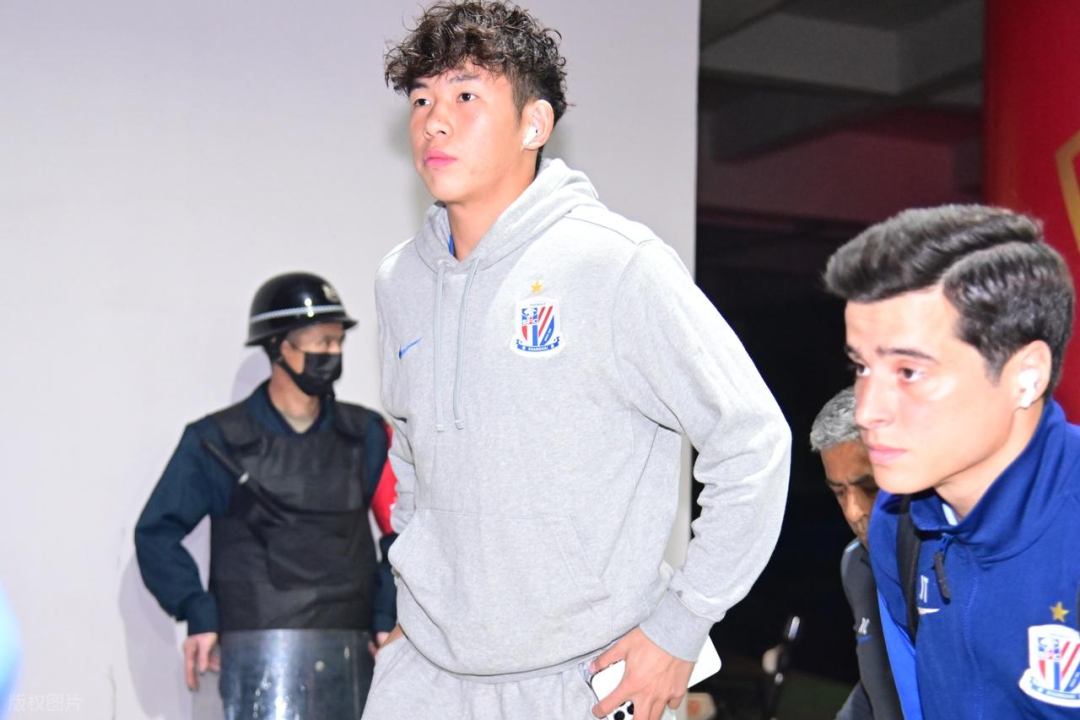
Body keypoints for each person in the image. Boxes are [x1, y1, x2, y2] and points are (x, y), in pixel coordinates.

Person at [366, 3, 791, 720]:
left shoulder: (615, 263)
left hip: (582, 676)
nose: (434, 121)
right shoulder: (399, 280)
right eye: (421, 100)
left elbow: (752, 442)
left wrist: (682, 624)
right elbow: (411, 454)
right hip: (427, 674)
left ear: (534, 124)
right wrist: (413, 598)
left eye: (466, 95)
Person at [824, 205, 1080, 718]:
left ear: (1026, 375)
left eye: (909, 371)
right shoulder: (896, 524)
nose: (867, 411)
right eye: (862, 367)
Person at [135, 272, 397, 719]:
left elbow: (403, 531)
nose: (333, 353)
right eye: (321, 342)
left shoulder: (368, 434)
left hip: (353, 658)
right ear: (278, 347)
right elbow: (156, 533)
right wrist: (198, 611)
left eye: (338, 342)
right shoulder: (216, 441)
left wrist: (387, 615)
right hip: (251, 658)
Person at [810, 387, 902, 720]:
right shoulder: (856, 566)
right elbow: (877, 687)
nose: (853, 511)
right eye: (839, 492)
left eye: (869, 488)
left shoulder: (951, 562)